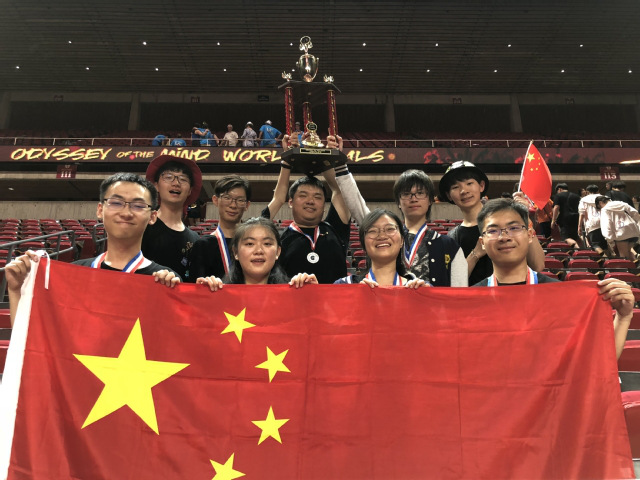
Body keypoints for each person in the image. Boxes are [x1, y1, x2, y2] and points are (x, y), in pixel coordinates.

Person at [5, 173, 179, 326]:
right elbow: (33, 340)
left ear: (153, 217)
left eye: (138, 205)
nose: (126, 213)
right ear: (100, 210)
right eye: (116, 203)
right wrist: (16, 289)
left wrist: (181, 293)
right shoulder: (72, 275)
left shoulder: (164, 281)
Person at [473, 198, 633, 359]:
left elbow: (596, 362)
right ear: (482, 243)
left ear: (530, 235)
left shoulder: (561, 298)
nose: (504, 237)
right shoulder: (472, 302)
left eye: (514, 228)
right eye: (493, 230)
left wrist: (623, 318)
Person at [439, 161, 545, 286]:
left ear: (481, 186)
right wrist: (475, 254)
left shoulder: (509, 223)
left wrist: (524, 218)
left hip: (515, 293)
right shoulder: (452, 238)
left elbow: (538, 265)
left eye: (469, 183)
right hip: (476, 297)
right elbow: (453, 282)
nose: (464, 191)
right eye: (455, 187)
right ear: (449, 195)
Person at [262, 162, 351, 284]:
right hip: (291, 297)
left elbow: (339, 189)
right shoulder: (278, 240)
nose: (310, 201)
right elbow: (277, 200)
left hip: (336, 297)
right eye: (303, 196)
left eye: (317, 197)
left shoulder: (335, 229)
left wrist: (325, 160)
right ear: (290, 202)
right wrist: (286, 164)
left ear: (324, 205)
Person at [195, 217, 317, 290]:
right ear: (235, 252)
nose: (259, 251)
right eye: (249, 244)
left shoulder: (293, 295)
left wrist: (313, 294)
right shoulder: (219, 295)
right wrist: (204, 295)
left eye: (267, 244)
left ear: (278, 252)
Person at [142, 154, 202, 281]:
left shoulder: (195, 239)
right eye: (168, 177)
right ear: (156, 185)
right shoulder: (141, 226)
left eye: (183, 179)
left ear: (190, 190)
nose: (176, 183)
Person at [334, 209, 428, 288]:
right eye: (372, 231)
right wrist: (356, 297)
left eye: (390, 229)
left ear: (402, 241)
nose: (382, 236)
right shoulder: (344, 286)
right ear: (363, 243)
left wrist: (426, 297)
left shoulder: (419, 288)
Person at [188, 175, 252, 281]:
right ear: (215, 200)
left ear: (247, 205)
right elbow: (195, 286)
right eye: (227, 198)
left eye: (240, 200)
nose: (233, 205)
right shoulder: (203, 246)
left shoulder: (252, 244)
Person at [596, 195, 640, 261]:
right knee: (629, 252)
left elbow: (606, 224)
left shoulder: (605, 209)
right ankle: (636, 265)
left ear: (600, 203)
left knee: (624, 256)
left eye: (599, 207)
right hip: (633, 230)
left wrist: (610, 240)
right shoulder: (621, 203)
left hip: (621, 232)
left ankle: (628, 267)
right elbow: (635, 213)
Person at [578, 185, 608, 255]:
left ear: (587, 191)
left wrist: (579, 226)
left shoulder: (584, 199)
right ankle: (608, 259)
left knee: (595, 244)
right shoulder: (605, 198)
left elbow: (582, 213)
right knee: (605, 245)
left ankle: (604, 257)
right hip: (605, 222)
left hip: (592, 223)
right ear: (598, 191)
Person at [551, 183, 581, 248]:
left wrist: (553, 221)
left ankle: (577, 249)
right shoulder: (576, 196)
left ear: (559, 189)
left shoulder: (558, 196)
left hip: (564, 219)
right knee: (575, 236)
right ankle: (583, 250)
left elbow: (556, 207)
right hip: (576, 218)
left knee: (566, 237)